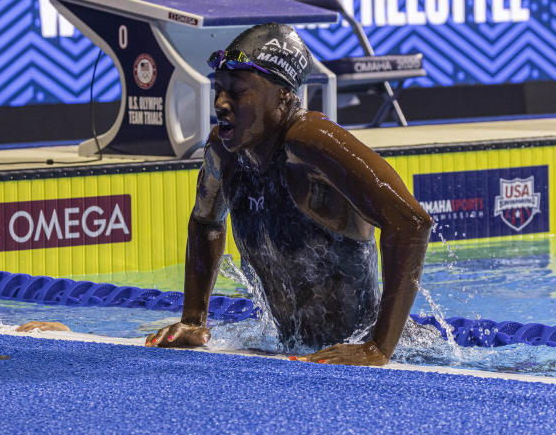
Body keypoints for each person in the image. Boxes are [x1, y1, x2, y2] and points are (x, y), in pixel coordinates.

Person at [144, 23, 432, 366]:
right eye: (218, 89)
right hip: (306, 356)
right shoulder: (225, 149)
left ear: (283, 94)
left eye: (237, 92)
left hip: (401, 356)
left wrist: (379, 348)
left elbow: (411, 222)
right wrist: (193, 320)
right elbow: (205, 222)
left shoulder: (311, 142)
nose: (221, 103)